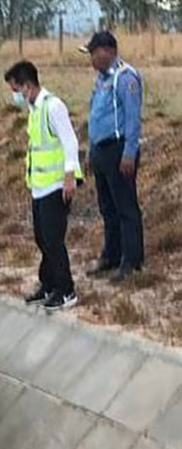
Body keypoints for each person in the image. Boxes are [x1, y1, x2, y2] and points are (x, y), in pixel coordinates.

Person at [5, 61, 83, 311]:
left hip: (56, 185)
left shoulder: (53, 107)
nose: (15, 95)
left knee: (53, 240)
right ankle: (48, 285)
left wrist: (69, 177)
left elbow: (70, 142)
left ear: (27, 86)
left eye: (16, 89)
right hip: (40, 186)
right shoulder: (34, 109)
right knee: (42, 238)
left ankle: (66, 290)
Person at [81, 31, 145, 284]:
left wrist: (129, 153)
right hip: (101, 151)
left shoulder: (125, 77)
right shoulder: (101, 79)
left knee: (125, 207)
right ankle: (112, 255)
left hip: (119, 150)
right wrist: (90, 150)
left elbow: (132, 119)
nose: (92, 60)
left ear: (108, 51)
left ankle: (132, 260)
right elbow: (96, 115)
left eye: (94, 54)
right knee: (107, 208)